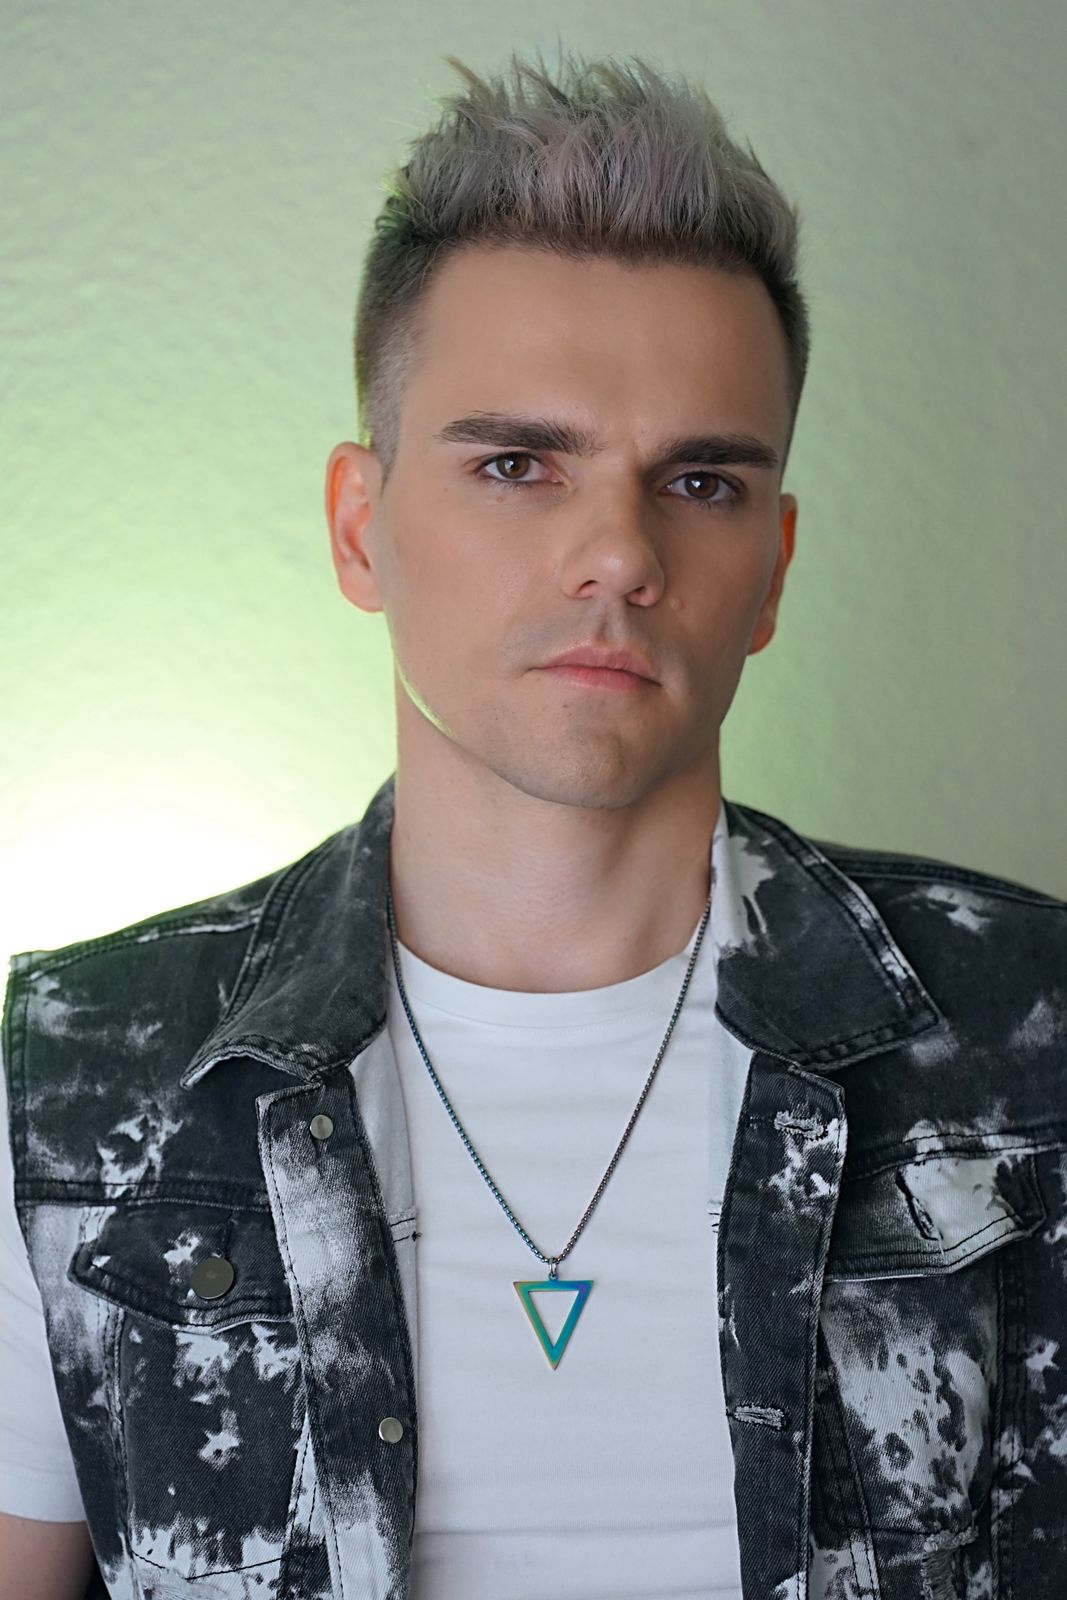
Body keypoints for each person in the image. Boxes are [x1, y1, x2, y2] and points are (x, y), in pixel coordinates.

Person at [2, 42, 1065, 1600]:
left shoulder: (1033, 1033)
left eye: (699, 484)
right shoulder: (83, 1074)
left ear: (773, 569)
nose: (619, 554)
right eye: (517, 464)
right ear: (360, 528)